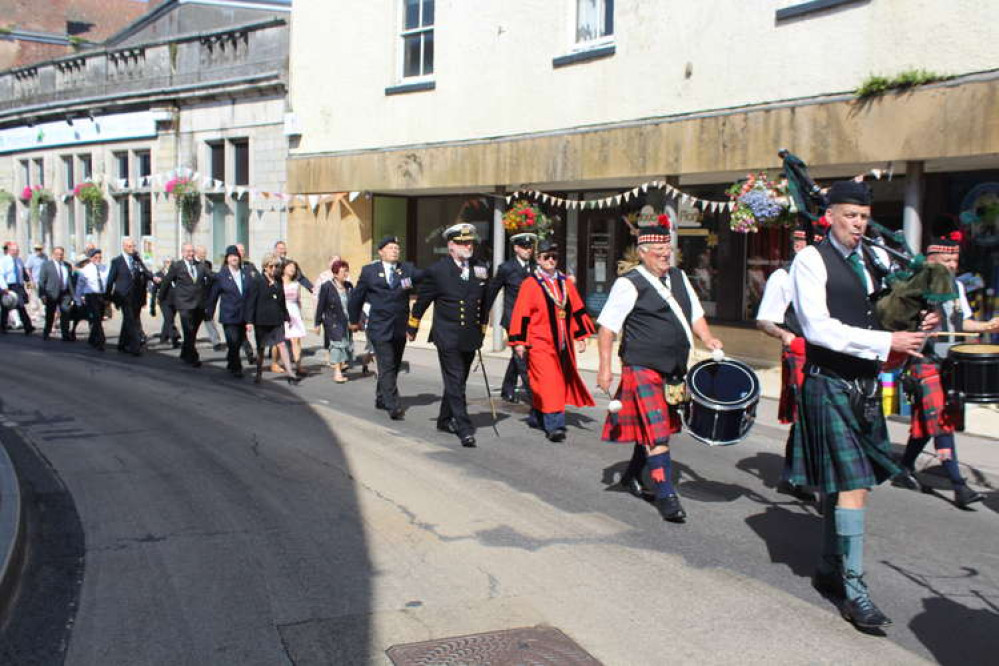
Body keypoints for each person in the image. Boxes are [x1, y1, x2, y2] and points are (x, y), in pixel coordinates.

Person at [789, 180, 936, 631]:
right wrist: (885, 340)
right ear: (829, 215)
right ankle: (855, 589)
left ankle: (830, 568)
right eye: (851, 216)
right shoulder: (809, 260)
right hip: (828, 382)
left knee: (846, 484)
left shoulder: (873, 260)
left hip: (866, 388)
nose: (859, 224)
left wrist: (915, 321)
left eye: (865, 218)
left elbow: (878, 311)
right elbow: (817, 328)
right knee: (853, 483)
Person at [597, 219, 723, 525]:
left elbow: (695, 314)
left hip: (674, 369)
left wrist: (707, 338)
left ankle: (631, 475)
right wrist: (604, 368)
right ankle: (666, 494)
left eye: (668, 249)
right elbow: (608, 327)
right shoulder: (629, 283)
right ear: (642, 253)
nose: (665, 255)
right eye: (658, 250)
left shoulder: (680, 278)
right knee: (658, 432)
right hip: (642, 365)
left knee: (660, 427)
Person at [893, 232, 999, 508]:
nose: (952, 265)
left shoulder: (958, 288)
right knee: (941, 420)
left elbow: (965, 323)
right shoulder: (913, 286)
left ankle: (903, 469)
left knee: (929, 422)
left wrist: (988, 326)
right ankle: (959, 486)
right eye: (946, 260)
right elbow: (896, 321)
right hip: (923, 360)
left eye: (955, 260)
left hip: (949, 362)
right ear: (931, 260)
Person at [409, 223, 496, 448]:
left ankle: (444, 419)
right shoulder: (438, 270)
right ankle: (464, 427)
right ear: (451, 246)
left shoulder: (480, 267)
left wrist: (483, 327)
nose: (468, 246)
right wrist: (413, 326)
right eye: (462, 243)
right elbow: (423, 300)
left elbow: (485, 300)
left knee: (457, 381)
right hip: (447, 334)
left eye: (470, 242)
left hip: (469, 334)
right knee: (456, 380)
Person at [508, 239, 594, 442]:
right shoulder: (530, 284)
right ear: (538, 259)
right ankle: (555, 425)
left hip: (563, 343)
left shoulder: (564, 282)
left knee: (548, 382)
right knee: (550, 382)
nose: (551, 261)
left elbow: (576, 308)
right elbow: (521, 314)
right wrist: (519, 342)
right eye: (546, 257)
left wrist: (580, 335)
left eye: (554, 257)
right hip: (540, 343)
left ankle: (537, 416)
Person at [755, 228, 814, 501]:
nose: (801, 246)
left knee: (819, 414)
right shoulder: (784, 275)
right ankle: (798, 475)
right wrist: (784, 335)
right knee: (806, 414)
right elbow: (765, 319)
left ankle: (796, 471)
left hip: (832, 351)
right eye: (799, 241)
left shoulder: (833, 272)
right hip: (800, 349)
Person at [349, 236, 421, 420]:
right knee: (386, 364)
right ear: (380, 252)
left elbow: (424, 280)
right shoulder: (370, 271)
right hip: (379, 326)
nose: (395, 250)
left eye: (397, 248)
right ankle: (393, 405)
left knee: (394, 365)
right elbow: (357, 297)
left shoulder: (407, 269)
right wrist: (353, 320)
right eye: (390, 248)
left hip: (399, 326)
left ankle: (381, 397)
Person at [487, 232, 536, 404]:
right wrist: (483, 316)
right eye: (524, 247)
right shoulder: (506, 268)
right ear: (516, 248)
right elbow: (492, 290)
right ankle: (534, 396)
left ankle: (507, 389)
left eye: (529, 247)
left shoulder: (535, 267)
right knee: (522, 358)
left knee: (519, 353)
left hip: (530, 320)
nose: (527, 250)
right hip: (513, 319)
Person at [245, 253, 298, 384]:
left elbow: (282, 300)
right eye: (271, 266)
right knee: (261, 348)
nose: (274, 269)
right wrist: (249, 321)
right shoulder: (257, 281)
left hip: (277, 319)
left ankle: (290, 373)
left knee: (282, 344)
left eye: (276, 266)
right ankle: (258, 372)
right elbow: (251, 301)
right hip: (262, 320)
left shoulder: (279, 281)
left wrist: (286, 316)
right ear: (265, 267)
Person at [206, 245, 258, 378]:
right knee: (233, 341)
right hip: (229, 314)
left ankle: (231, 361)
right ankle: (237, 367)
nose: (234, 258)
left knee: (238, 340)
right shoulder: (221, 275)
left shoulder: (246, 274)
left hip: (243, 315)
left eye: (236, 256)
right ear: (227, 259)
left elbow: (251, 297)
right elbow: (214, 295)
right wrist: (209, 313)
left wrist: (251, 318)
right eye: (231, 256)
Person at [159, 243, 210, 367]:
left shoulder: (200, 266)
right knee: (188, 330)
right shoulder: (177, 266)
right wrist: (161, 298)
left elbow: (212, 276)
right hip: (184, 303)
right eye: (187, 251)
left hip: (198, 304)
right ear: (182, 253)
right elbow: (166, 281)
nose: (190, 254)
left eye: (192, 251)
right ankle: (193, 357)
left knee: (193, 332)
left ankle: (185, 352)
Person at [105, 237, 151, 356]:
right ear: (124, 247)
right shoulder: (117, 261)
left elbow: (145, 272)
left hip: (136, 296)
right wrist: (107, 296)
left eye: (133, 246)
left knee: (128, 320)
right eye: (130, 246)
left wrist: (154, 278)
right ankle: (135, 346)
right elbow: (110, 280)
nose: (132, 249)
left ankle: (122, 344)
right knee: (131, 321)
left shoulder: (136, 260)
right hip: (123, 296)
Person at [315, 259, 354, 383]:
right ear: (335, 274)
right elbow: (320, 305)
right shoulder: (327, 286)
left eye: (347, 271)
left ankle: (340, 368)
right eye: (343, 272)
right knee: (337, 345)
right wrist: (317, 323)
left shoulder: (349, 286)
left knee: (346, 345)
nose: (346, 274)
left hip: (347, 321)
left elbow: (353, 304)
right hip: (333, 321)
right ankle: (337, 373)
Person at [37, 246, 76, 341]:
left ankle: (65, 334)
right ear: (53, 255)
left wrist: (73, 294)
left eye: (61, 254)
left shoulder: (67, 265)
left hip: (65, 293)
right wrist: (42, 295)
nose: (59, 256)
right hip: (51, 293)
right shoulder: (46, 265)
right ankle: (47, 332)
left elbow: (70, 280)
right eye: (57, 254)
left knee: (65, 313)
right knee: (50, 314)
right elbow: (42, 281)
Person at [74, 248, 109, 350]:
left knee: (99, 318)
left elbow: (108, 282)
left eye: (99, 257)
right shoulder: (86, 270)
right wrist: (78, 299)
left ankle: (92, 338)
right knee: (97, 318)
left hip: (101, 296)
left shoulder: (104, 268)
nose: (98, 259)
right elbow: (80, 286)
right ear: (90, 258)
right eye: (95, 257)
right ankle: (101, 340)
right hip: (91, 295)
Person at [0, 241, 35, 335]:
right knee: (6, 307)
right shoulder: (3, 261)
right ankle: (3, 326)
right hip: (8, 285)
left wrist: (29, 286)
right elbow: (1, 275)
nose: (16, 252)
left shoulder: (19, 260)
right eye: (13, 250)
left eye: (17, 250)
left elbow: (24, 275)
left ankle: (28, 326)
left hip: (18, 286)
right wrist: (4, 287)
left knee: (21, 305)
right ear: (9, 251)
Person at [281, 260, 308, 375]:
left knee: (296, 339)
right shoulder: (278, 282)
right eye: (290, 266)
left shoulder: (296, 284)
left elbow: (298, 300)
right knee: (280, 342)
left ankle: (298, 366)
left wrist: (300, 315)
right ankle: (276, 363)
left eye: (294, 267)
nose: (292, 269)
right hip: (282, 311)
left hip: (294, 312)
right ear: (284, 268)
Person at [195, 246, 224, 352]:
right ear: (197, 253)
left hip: (207, 297)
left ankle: (216, 342)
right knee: (194, 322)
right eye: (202, 253)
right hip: (196, 298)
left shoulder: (207, 264)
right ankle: (190, 340)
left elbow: (211, 277)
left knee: (208, 319)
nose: (204, 255)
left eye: (205, 253)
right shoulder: (193, 264)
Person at [235, 243, 257, 364]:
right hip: (235, 305)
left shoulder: (249, 266)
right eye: (238, 251)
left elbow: (257, 279)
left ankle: (241, 354)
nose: (241, 253)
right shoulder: (229, 268)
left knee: (241, 330)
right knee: (238, 331)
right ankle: (246, 352)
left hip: (248, 303)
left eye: (243, 251)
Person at [25, 242, 47, 324]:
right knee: (32, 297)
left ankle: (42, 312)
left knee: (41, 296)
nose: (38, 251)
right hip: (32, 280)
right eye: (36, 249)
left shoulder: (45, 257)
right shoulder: (31, 257)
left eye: (39, 249)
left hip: (42, 281)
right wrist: (30, 279)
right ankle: (35, 314)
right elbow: (27, 268)